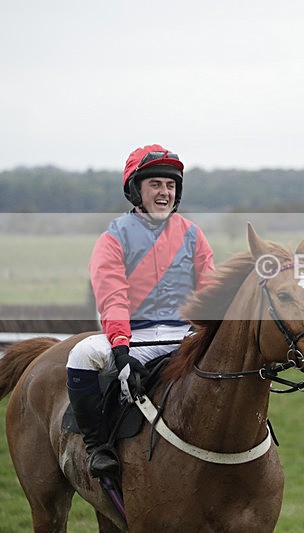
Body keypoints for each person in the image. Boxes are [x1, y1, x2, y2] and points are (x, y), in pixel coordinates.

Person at [65, 144, 215, 478]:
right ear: (137, 190)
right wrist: (120, 349)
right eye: (155, 184)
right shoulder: (113, 237)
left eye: (170, 185)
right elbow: (112, 297)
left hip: (185, 333)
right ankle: (98, 447)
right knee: (82, 354)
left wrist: (207, 330)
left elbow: (209, 291)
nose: (164, 192)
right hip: (135, 336)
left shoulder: (193, 234)